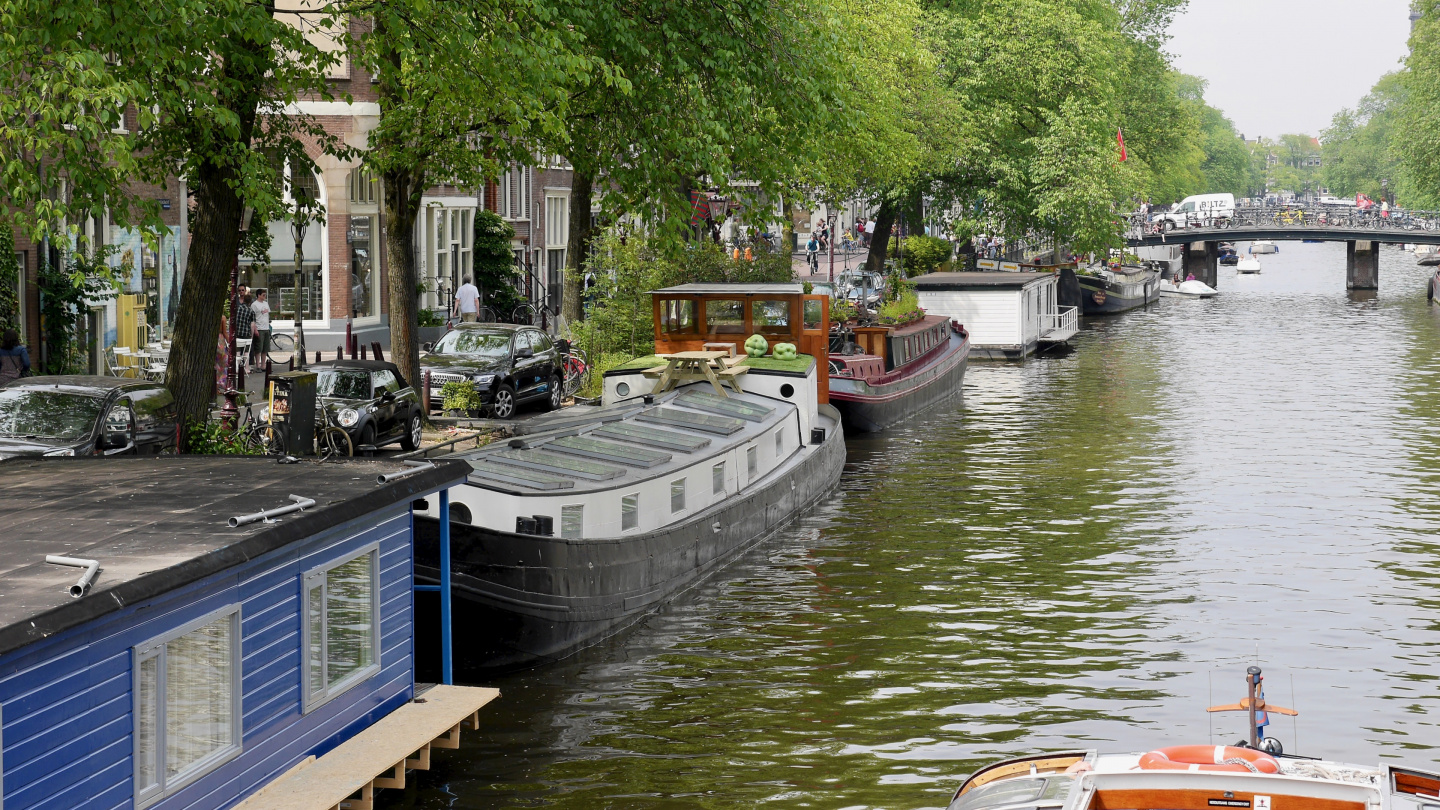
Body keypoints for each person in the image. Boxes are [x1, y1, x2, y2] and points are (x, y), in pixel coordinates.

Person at [250, 289, 271, 372]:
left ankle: (263, 365)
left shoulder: (266, 303)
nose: (264, 296)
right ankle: (257, 365)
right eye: (263, 295)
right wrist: (255, 329)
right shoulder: (254, 305)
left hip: (266, 327)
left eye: (265, 295)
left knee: (265, 348)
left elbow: (267, 314)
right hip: (259, 328)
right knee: (259, 347)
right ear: (258, 295)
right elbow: (252, 318)